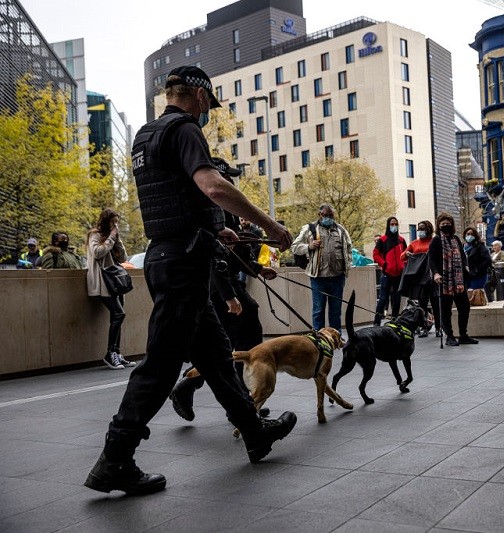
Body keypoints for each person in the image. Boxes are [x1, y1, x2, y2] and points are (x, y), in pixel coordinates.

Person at [84, 66, 296, 497]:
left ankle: (255, 433)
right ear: (198, 95)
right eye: (208, 104)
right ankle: (114, 459)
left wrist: (216, 229)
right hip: (183, 264)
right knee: (161, 364)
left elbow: (174, 197)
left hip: (171, 254)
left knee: (216, 357)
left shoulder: (146, 136)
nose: (207, 113)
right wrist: (270, 226)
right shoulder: (184, 130)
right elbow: (211, 186)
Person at [170, 157, 278, 422]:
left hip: (223, 281)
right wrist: (228, 295)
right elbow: (214, 255)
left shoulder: (224, 207)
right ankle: (241, 402)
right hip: (216, 284)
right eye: (227, 175)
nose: (231, 180)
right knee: (237, 336)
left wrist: (257, 268)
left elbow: (235, 250)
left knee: (223, 346)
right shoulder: (210, 204)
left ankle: (226, 398)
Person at [291, 203, 352, 333]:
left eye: (331, 215)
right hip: (318, 278)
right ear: (320, 215)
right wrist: (309, 246)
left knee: (335, 311)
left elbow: (349, 249)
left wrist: (348, 266)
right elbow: (294, 247)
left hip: (337, 277)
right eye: (325, 215)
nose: (328, 218)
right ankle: (319, 338)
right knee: (318, 310)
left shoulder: (341, 230)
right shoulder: (310, 229)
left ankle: (336, 337)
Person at [87, 208, 135, 370]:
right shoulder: (95, 234)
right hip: (102, 281)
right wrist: (111, 238)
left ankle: (117, 353)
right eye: (112, 221)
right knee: (119, 313)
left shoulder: (113, 237)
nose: (115, 224)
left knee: (117, 316)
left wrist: (118, 239)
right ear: (105, 221)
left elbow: (123, 258)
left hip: (114, 281)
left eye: (117, 221)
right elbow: (97, 252)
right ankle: (110, 353)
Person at [428, 212, 478, 346]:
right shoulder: (436, 240)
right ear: (438, 226)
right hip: (444, 280)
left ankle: (463, 334)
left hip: (459, 280)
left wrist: (466, 268)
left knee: (465, 307)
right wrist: (435, 273)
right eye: (443, 224)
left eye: (448, 224)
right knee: (445, 309)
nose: (446, 226)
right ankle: (449, 336)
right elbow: (431, 259)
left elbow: (462, 256)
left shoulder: (456, 239)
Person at [401, 220, 438, 337]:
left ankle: (439, 327)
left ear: (428, 230)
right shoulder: (414, 244)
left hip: (432, 277)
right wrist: (407, 254)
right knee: (422, 304)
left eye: (423, 229)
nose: (420, 231)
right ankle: (423, 326)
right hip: (419, 278)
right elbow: (402, 256)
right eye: (419, 229)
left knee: (435, 302)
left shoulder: (433, 242)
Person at [372, 216, 407, 325]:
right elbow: (375, 254)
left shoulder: (401, 240)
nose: (394, 226)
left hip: (399, 274)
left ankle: (395, 319)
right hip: (387, 273)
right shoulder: (382, 240)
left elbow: (406, 254)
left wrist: (403, 265)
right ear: (388, 225)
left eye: (395, 224)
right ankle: (377, 322)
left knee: (396, 299)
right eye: (392, 224)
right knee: (383, 298)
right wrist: (384, 264)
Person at [463, 227, 492, 303]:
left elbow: (488, 261)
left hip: (478, 276)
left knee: (475, 296)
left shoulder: (480, 247)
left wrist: (477, 270)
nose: (469, 236)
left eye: (472, 234)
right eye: (468, 234)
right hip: (466, 276)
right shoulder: (463, 248)